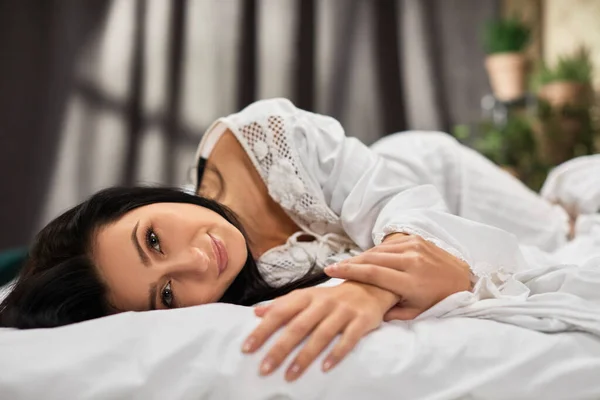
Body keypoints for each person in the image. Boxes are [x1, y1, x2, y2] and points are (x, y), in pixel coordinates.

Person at [0, 98, 593, 382]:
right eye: (167, 296)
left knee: (560, 232)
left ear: (132, 202)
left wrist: (367, 292)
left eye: (153, 240)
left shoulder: (259, 138)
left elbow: (406, 208)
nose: (194, 263)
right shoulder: (245, 294)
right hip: (409, 207)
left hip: (434, 176)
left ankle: (561, 212)